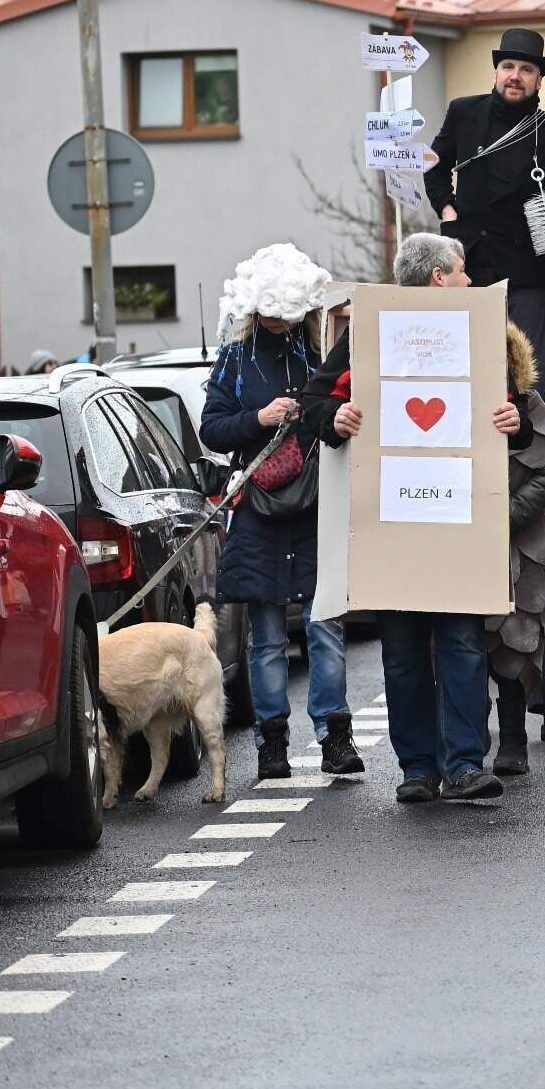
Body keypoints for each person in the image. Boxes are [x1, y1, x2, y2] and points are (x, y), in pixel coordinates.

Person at [301, 232, 526, 803]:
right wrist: (335, 417)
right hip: (393, 524)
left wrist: (514, 419)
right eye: (463, 271)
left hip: (460, 519)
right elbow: (314, 402)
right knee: (402, 655)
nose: (470, 281)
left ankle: (465, 764)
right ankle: (418, 769)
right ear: (438, 277)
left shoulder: (481, 329)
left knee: (463, 645)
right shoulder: (371, 327)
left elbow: (514, 404)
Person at [199, 243, 359, 782]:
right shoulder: (235, 359)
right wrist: (260, 418)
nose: (277, 319)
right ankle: (272, 744)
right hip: (259, 513)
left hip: (316, 506)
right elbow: (212, 429)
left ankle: (335, 736)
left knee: (324, 626)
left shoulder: (322, 350)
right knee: (267, 637)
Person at [426, 27, 545, 409]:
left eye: (526, 70)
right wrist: (446, 208)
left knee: (529, 371)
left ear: (539, 80)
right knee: (469, 362)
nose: (516, 76)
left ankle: (541, 445)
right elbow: (433, 165)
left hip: (528, 272)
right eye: (508, 66)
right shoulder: (464, 112)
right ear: (496, 72)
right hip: (469, 265)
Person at [488, 325, 545, 775]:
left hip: (522, 540)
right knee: (463, 641)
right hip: (460, 541)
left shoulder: (531, 406)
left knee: (516, 637)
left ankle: (514, 738)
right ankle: (468, 735)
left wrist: (504, 516)